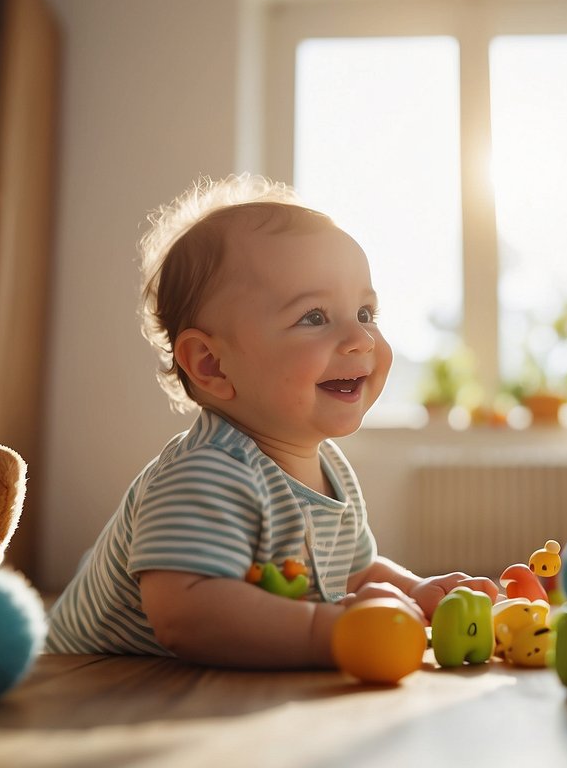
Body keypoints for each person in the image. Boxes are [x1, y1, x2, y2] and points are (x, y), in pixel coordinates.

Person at [46, 174, 498, 668]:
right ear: (212, 365)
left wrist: (418, 591)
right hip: (97, 684)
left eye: (366, 312)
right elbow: (188, 613)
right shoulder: (204, 473)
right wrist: (327, 632)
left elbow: (355, 572)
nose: (361, 339)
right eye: (314, 317)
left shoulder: (332, 470)